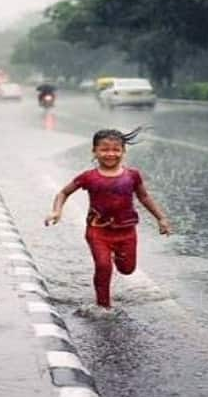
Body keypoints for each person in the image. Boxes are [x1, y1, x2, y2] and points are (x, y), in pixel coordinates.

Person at [44, 127, 171, 308]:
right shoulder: (88, 177)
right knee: (103, 266)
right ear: (94, 151)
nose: (110, 154)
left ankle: (114, 258)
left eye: (116, 149)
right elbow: (64, 193)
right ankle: (103, 306)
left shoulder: (132, 176)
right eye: (104, 149)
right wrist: (57, 211)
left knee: (127, 270)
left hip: (126, 232)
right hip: (97, 231)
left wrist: (161, 218)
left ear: (123, 151)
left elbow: (144, 197)